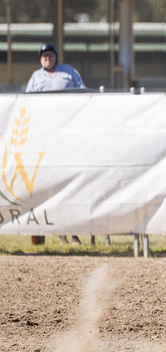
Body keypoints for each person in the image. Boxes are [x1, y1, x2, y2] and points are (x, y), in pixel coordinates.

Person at [27, 43, 85, 245]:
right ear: (40, 59)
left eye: (50, 54)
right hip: (45, 139)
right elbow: (26, 103)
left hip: (69, 135)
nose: (47, 58)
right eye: (44, 55)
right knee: (50, 183)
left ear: (56, 57)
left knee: (72, 182)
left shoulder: (69, 72)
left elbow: (85, 95)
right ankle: (57, 232)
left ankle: (74, 232)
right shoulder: (35, 77)